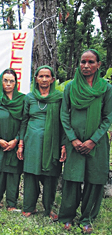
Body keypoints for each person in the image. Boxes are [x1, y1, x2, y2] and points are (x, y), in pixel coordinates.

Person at [58, 49, 112, 234]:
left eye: (91, 62)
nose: (86, 66)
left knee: (94, 180)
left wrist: (93, 140)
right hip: (75, 143)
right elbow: (64, 115)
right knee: (72, 179)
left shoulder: (106, 88)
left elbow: (108, 117)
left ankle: (87, 218)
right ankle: (66, 217)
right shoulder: (71, 87)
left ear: (98, 65)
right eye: (83, 62)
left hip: (97, 143)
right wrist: (72, 139)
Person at [17, 65, 66, 221]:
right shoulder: (30, 97)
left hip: (52, 141)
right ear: (36, 79)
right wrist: (21, 143)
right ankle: (29, 207)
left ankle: (48, 207)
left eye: (47, 76)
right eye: (41, 76)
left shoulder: (59, 98)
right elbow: (24, 121)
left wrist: (63, 144)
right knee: (31, 173)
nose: (44, 79)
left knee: (51, 175)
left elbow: (64, 121)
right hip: (32, 141)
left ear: (52, 79)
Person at [0, 68, 25, 211]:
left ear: (16, 83)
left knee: (13, 173)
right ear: (1, 82)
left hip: (15, 143)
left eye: (11, 81)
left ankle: (12, 203)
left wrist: (16, 140)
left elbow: (24, 122)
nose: (8, 84)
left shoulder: (22, 100)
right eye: (5, 80)